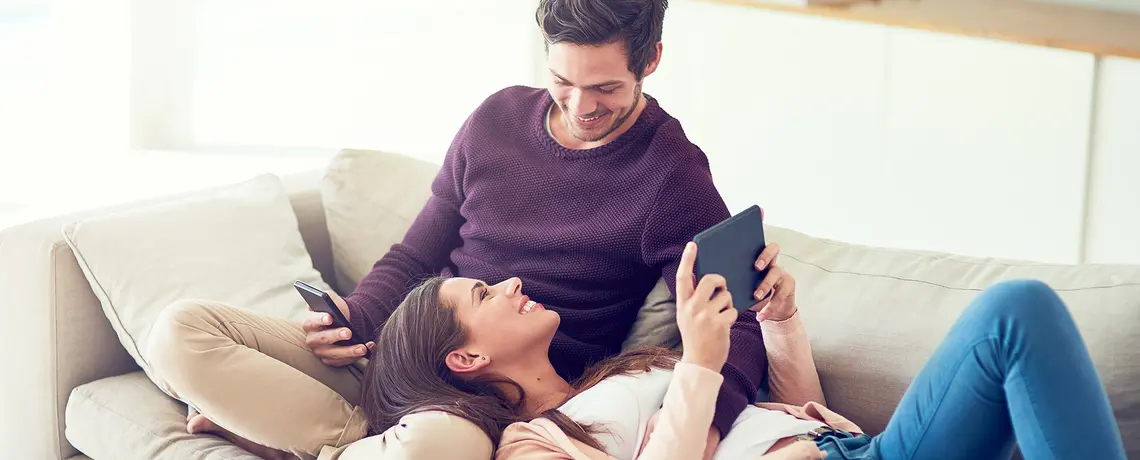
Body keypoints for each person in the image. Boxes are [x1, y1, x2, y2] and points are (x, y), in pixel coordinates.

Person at [142, 0, 772, 458]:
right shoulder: (495, 119)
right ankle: (343, 434)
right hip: (402, 347)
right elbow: (417, 254)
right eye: (562, 82)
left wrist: (708, 425)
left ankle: (320, 440)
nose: (581, 108)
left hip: (487, 403)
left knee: (434, 447)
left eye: (604, 88)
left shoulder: (672, 174)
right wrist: (355, 317)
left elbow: (741, 318)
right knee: (178, 333)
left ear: (651, 60)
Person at [364, 241, 1128, 460]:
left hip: (853, 449)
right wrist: (698, 361)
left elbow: (783, 415)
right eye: (481, 296)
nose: (508, 283)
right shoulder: (529, 446)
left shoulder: (611, 375)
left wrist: (780, 322)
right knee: (1013, 311)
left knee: (1015, 311)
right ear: (464, 360)